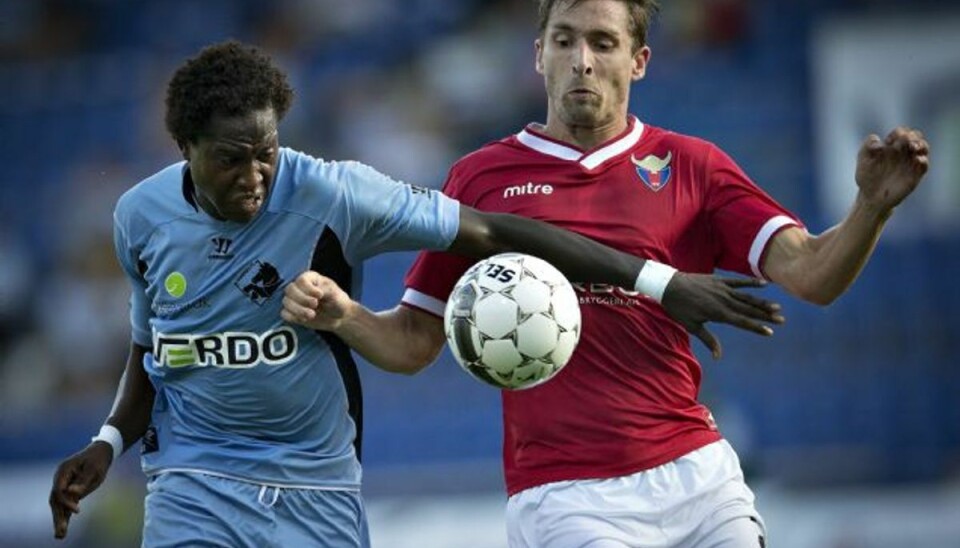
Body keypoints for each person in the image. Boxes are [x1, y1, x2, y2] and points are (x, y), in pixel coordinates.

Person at [47, 40, 786, 547]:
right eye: (231, 161)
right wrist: (110, 440)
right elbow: (154, 347)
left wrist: (658, 282)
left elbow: (498, 233)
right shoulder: (139, 217)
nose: (255, 177)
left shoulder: (336, 193)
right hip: (190, 479)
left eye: (267, 155)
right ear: (185, 148)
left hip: (315, 490)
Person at [280, 1, 931, 546]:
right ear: (538, 54)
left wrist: (870, 210)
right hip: (568, 497)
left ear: (637, 60)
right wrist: (347, 316)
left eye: (602, 42)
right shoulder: (481, 179)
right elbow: (415, 341)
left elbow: (813, 274)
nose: (582, 59)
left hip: (698, 475)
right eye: (564, 40)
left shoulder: (692, 167)